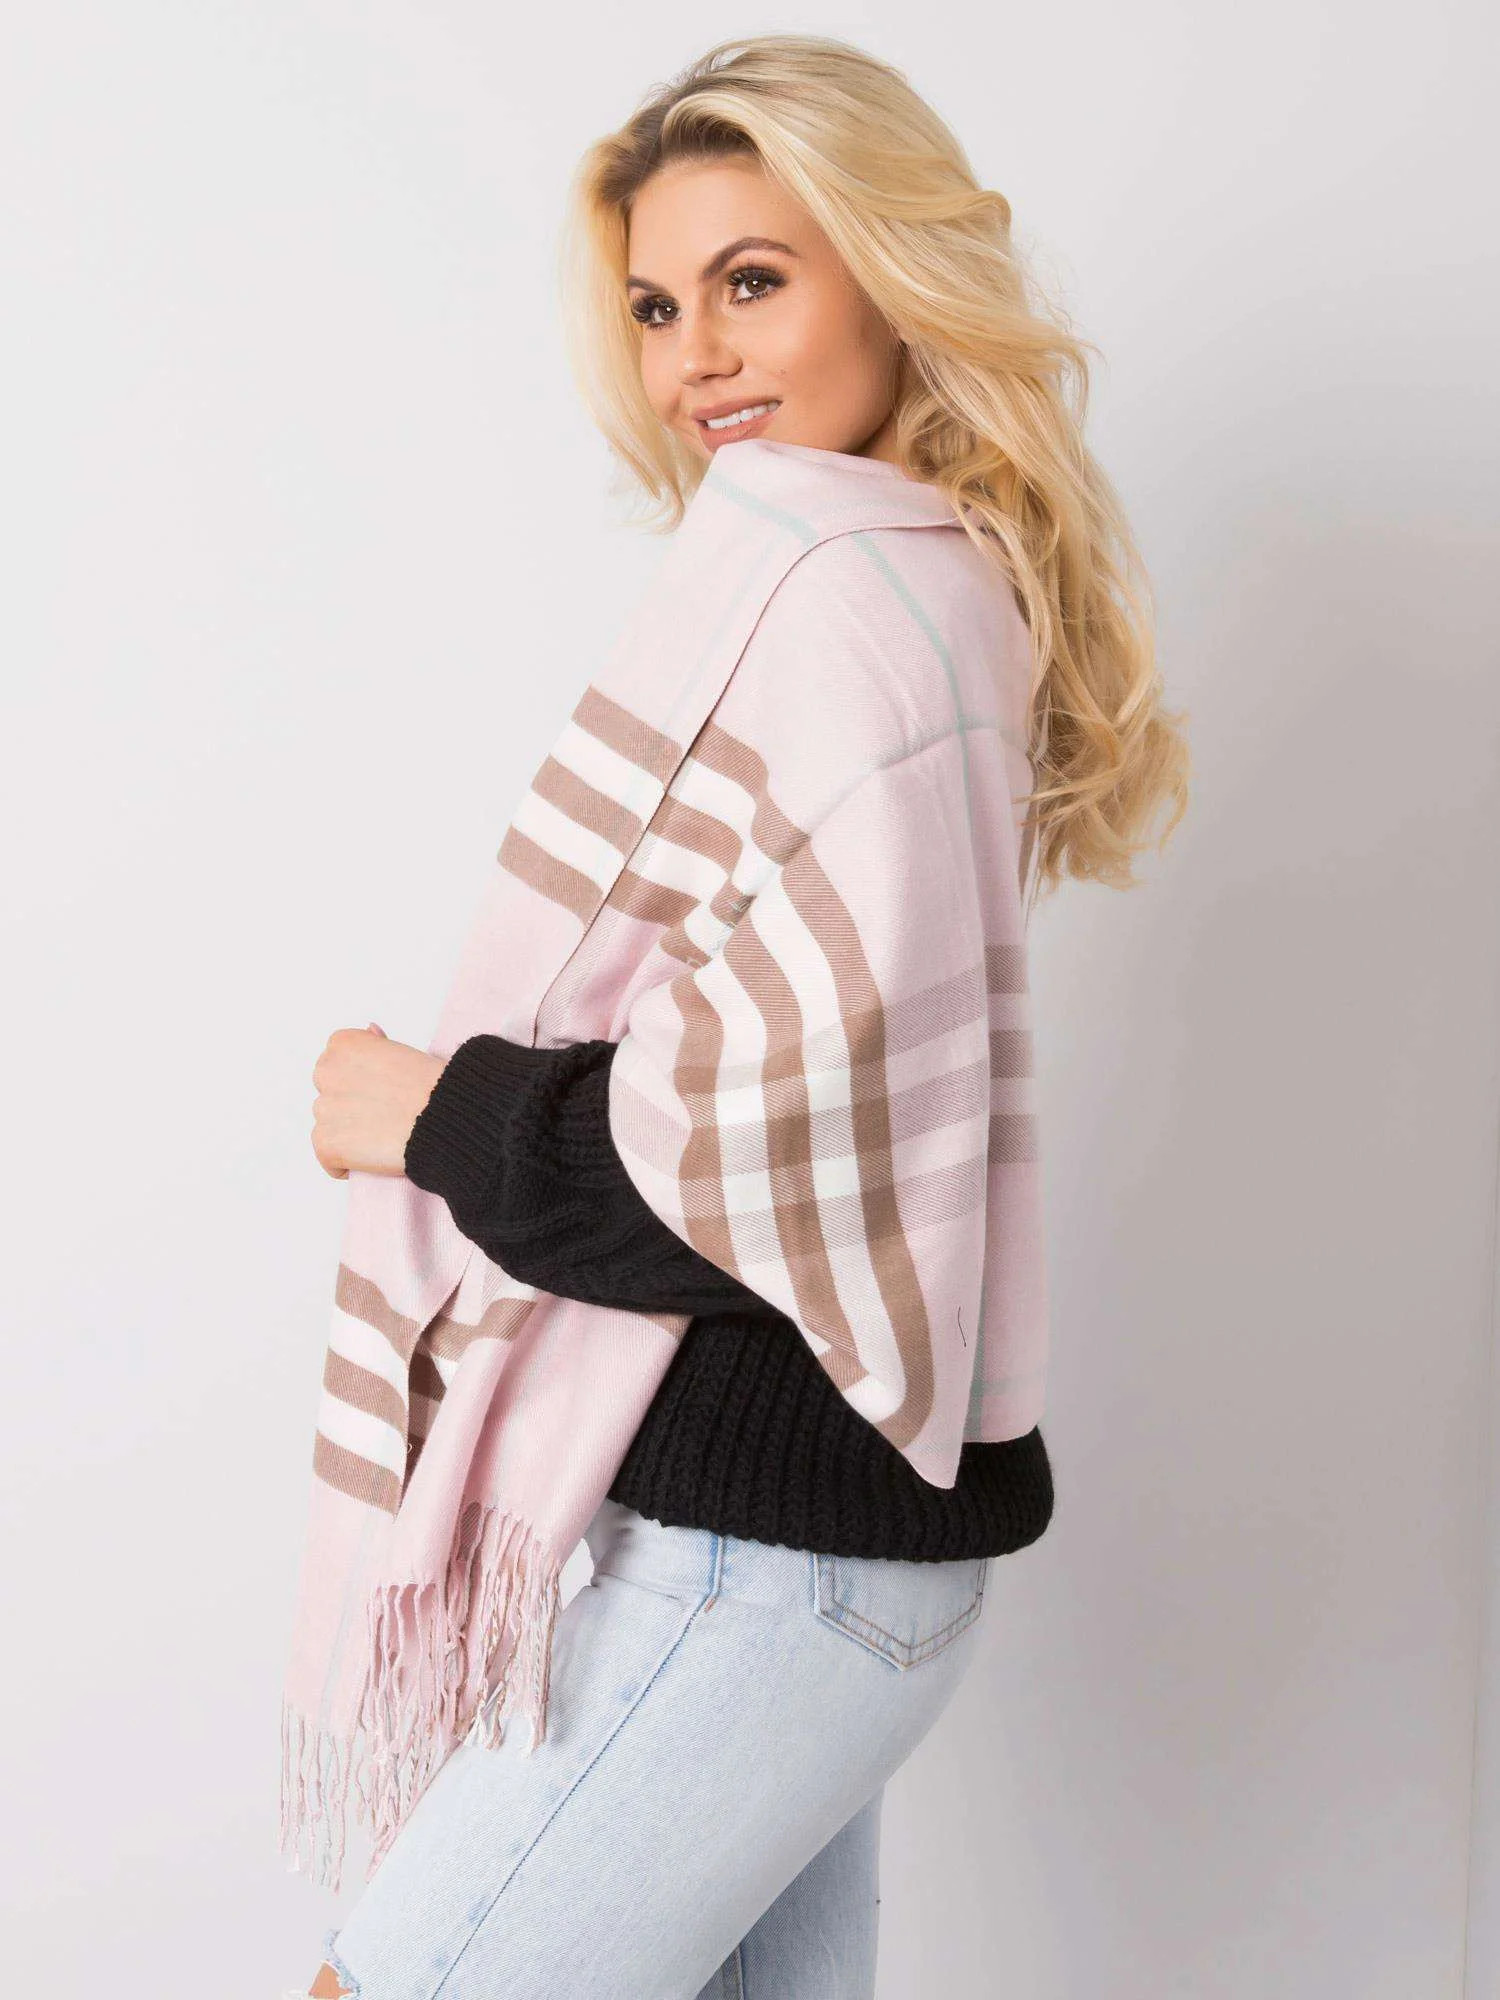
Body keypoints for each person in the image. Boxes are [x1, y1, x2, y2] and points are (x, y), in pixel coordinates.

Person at [291, 31, 1189, 2000]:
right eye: (654, 306)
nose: (694, 355)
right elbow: (821, 1124)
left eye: (753, 281)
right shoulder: (945, 578)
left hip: (756, 1567)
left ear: (900, 270)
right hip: (828, 1559)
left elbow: (748, 1172)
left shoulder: (822, 583)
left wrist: (422, 1113)